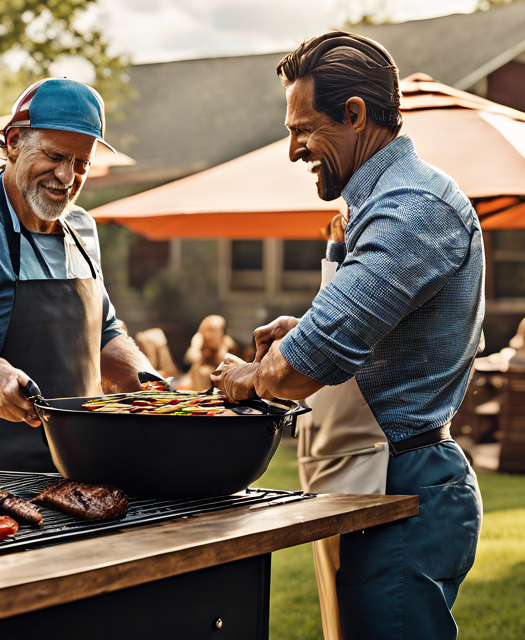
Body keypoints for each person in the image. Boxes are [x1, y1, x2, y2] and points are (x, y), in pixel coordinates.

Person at [212, 32, 483, 640]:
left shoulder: (412, 208)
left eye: (302, 129)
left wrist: (249, 377)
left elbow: (309, 363)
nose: (292, 151)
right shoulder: (376, 205)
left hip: (402, 487)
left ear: (355, 115)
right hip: (367, 479)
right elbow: (349, 331)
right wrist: (302, 328)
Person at [0, 78, 154, 472]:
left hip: (88, 465)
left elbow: (104, 333)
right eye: (55, 155)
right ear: (12, 144)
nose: (66, 176)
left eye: (81, 163)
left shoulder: (83, 228)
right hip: (1, 475)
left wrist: (147, 384)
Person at [294, 212, 388, 640]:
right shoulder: (340, 271)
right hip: (323, 467)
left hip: (365, 467)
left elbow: (332, 346)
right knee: (339, 618)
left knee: (370, 615)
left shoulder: (390, 267)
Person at [183, 315, 238, 392]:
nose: (212, 335)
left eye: (216, 330)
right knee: (202, 373)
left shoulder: (227, 342)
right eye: (210, 330)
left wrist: (220, 348)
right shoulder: (199, 339)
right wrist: (198, 347)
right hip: (196, 377)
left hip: (220, 376)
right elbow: (190, 358)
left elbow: (226, 364)